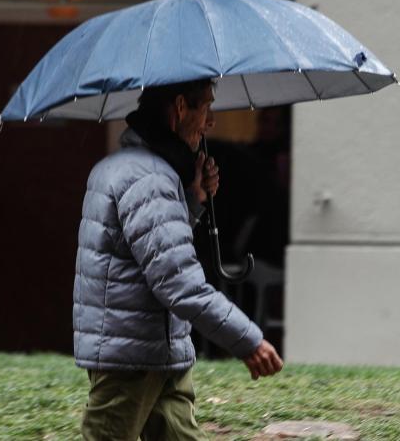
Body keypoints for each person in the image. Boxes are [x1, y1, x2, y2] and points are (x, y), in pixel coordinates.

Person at [73, 78, 284, 440]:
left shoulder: (131, 168)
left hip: (153, 349)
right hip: (132, 357)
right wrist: (248, 340)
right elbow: (178, 282)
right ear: (181, 107)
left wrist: (193, 198)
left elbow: (145, 250)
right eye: (207, 107)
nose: (211, 121)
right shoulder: (150, 179)